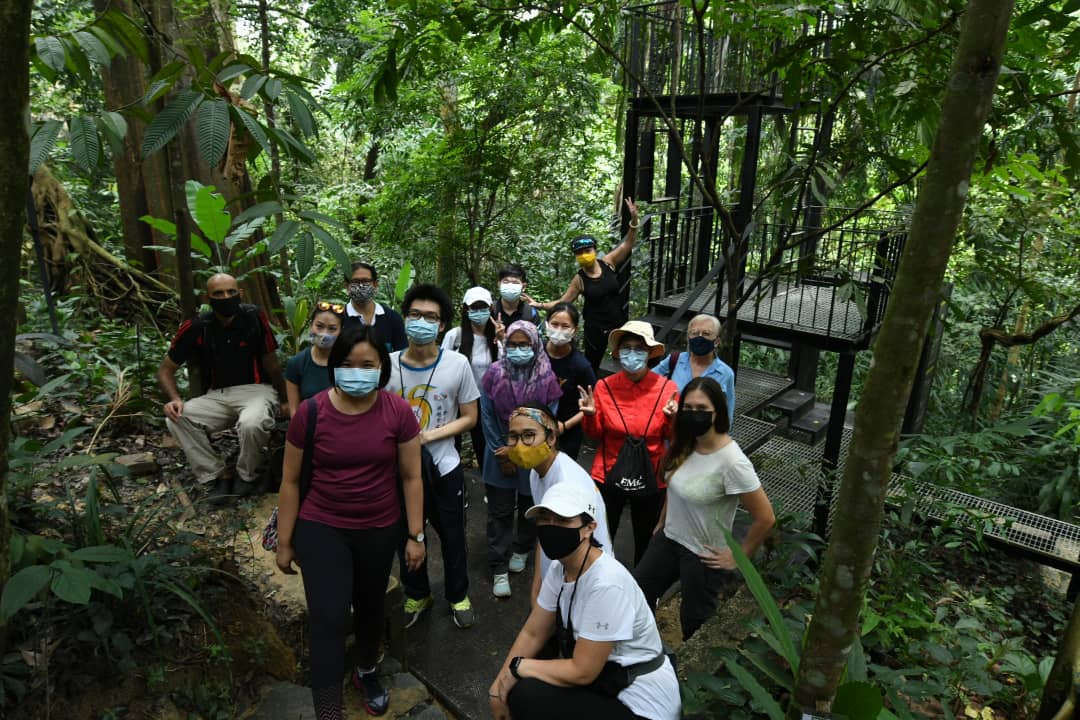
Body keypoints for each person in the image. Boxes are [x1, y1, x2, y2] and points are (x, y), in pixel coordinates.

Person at [275, 323, 425, 718]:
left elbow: (411, 477)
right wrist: (286, 540)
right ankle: (327, 707)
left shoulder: (399, 412)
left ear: (381, 368)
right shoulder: (310, 412)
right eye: (347, 363)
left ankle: (366, 669)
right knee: (329, 617)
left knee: (371, 606)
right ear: (334, 365)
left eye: (367, 364)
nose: (357, 371)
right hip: (321, 526)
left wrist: (415, 535)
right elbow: (290, 481)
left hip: (379, 528)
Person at [488, 482, 681, 720]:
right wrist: (497, 689)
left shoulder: (606, 583)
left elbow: (583, 671)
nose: (551, 527)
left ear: (589, 527)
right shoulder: (561, 568)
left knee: (526, 692)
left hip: (640, 705)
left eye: (562, 520)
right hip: (607, 681)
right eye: (545, 519)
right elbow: (534, 632)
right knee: (530, 667)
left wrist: (519, 668)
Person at [633, 377, 775, 640]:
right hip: (670, 538)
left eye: (701, 409)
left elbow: (765, 518)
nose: (693, 415)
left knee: (694, 621)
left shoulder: (733, 462)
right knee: (637, 592)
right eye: (688, 408)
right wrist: (661, 524)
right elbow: (675, 487)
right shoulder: (686, 443)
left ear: (717, 411)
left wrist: (738, 557)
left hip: (703, 553)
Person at [386, 283, 480, 629]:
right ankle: (417, 592)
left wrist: (426, 436)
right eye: (414, 315)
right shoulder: (387, 364)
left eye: (430, 317)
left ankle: (458, 595)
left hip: (444, 467)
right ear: (405, 318)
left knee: (453, 535)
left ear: (441, 325)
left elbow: (470, 416)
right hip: (397, 470)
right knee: (406, 536)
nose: (421, 322)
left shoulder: (457, 365)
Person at [157, 272, 284, 502]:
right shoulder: (197, 327)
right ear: (207, 298)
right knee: (177, 417)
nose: (226, 297)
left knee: (252, 423)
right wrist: (174, 398)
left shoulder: (254, 317)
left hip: (256, 389)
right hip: (218, 395)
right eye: (219, 293)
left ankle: (246, 475)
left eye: (231, 292)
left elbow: (271, 363)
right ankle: (217, 474)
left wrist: (285, 399)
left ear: (240, 294)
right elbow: (165, 369)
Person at [579, 320, 679, 566]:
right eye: (627, 347)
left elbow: (672, 437)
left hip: (651, 472)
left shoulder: (667, 388)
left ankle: (642, 591)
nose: (632, 353)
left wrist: (674, 418)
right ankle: (600, 582)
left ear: (649, 353)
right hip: (607, 472)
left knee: (646, 537)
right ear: (618, 352)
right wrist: (590, 415)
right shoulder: (604, 387)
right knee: (601, 534)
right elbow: (595, 434)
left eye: (639, 348)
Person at [480, 321, 562, 598]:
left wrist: (519, 451)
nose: (518, 349)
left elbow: (548, 418)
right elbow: (487, 415)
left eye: (524, 344)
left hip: (533, 451)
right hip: (499, 450)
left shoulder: (547, 376)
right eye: (512, 344)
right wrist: (502, 450)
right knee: (500, 511)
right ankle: (498, 565)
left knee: (531, 505)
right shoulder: (494, 373)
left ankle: (522, 548)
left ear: (535, 344)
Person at [503, 402, 611, 604]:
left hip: (584, 585)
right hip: (558, 579)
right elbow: (544, 531)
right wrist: (538, 586)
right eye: (513, 436)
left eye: (528, 435)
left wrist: (549, 600)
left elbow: (580, 548)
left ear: (551, 437)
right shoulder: (536, 472)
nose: (520, 444)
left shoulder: (568, 484)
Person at [533, 198, 640, 372]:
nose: (584, 255)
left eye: (587, 251)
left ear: (595, 250)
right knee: (592, 365)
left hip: (618, 323)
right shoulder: (579, 279)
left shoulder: (608, 263)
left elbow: (628, 243)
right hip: (595, 329)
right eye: (580, 253)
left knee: (627, 360)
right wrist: (540, 305)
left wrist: (634, 220)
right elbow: (564, 302)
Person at [442, 286, 500, 468]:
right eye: (474, 308)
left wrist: (503, 339)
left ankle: (489, 485)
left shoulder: (498, 337)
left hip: (487, 402)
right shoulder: (455, 336)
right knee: (452, 445)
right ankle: (456, 485)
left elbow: (507, 367)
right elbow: (443, 366)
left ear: (491, 309)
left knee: (484, 444)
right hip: (457, 400)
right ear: (466, 309)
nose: (479, 312)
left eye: (483, 307)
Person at [651, 314, 736, 426]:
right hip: (672, 432)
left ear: (716, 341)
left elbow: (727, 413)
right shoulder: (674, 360)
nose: (699, 337)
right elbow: (648, 380)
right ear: (688, 338)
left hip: (704, 437)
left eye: (706, 334)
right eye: (694, 333)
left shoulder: (725, 373)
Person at [543, 302, 595, 460]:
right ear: (546, 325)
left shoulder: (581, 366)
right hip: (535, 429)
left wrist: (564, 426)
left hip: (566, 434)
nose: (559, 330)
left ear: (575, 330)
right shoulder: (536, 352)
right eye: (554, 324)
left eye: (565, 326)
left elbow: (592, 403)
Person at [284, 301, 346, 417]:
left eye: (332, 329)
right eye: (319, 326)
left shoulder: (350, 362)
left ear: (341, 331)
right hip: (311, 429)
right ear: (311, 326)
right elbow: (294, 412)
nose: (324, 333)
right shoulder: (296, 363)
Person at [343, 261, 407, 352]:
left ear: (375, 284)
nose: (361, 285)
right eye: (355, 281)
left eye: (365, 281)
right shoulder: (339, 318)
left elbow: (402, 354)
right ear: (346, 285)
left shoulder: (393, 318)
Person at [493, 263, 541, 330]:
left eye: (515, 282)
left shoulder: (531, 313)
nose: (510, 286)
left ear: (523, 287)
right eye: (506, 282)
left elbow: (536, 339)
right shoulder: (490, 310)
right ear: (499, 285)